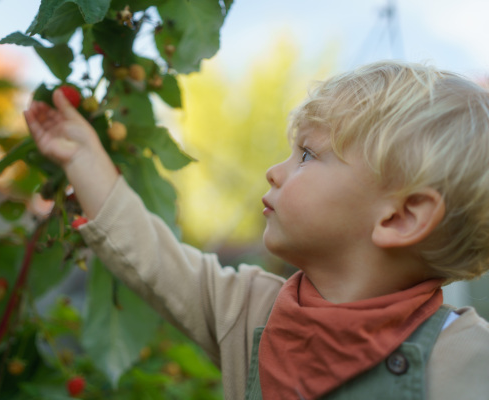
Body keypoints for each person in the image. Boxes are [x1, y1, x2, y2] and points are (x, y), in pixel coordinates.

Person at [24, 61, 489, 400]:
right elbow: (151, 256)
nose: (274, 171)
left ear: (399, 218)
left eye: (307, 155)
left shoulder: (468, 360)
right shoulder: (248, 311)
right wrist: (81, 156)